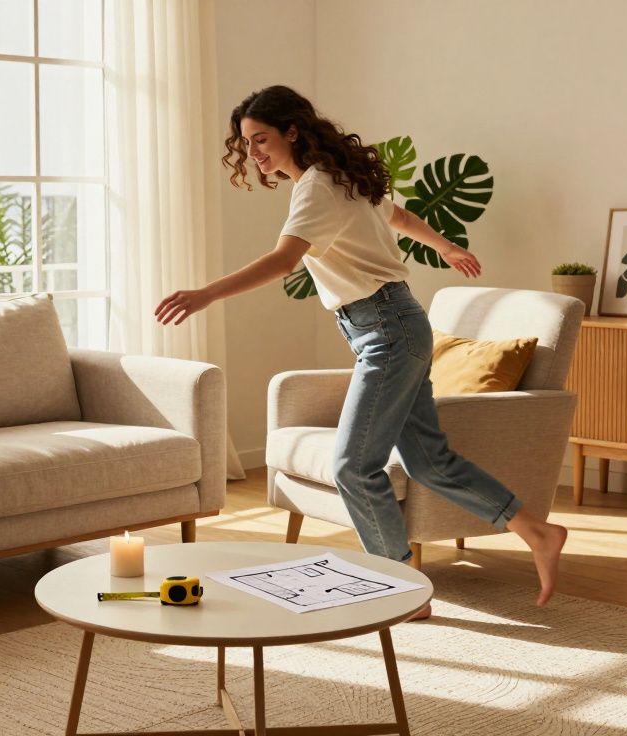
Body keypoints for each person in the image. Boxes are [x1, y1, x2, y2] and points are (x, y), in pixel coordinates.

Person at [154, 85, 567, 617]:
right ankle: (537, 531)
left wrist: (205, 293)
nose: (254, 152)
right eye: (246, 144)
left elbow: (284, 262)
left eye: (260, 139)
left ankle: (401, 587)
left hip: (387, 330)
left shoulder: (315, 187)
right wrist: (445, 246)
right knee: (429, 461)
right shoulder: (340, 177)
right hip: (394, 324)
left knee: (353, 465)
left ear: (292, 131)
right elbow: (396, 215)